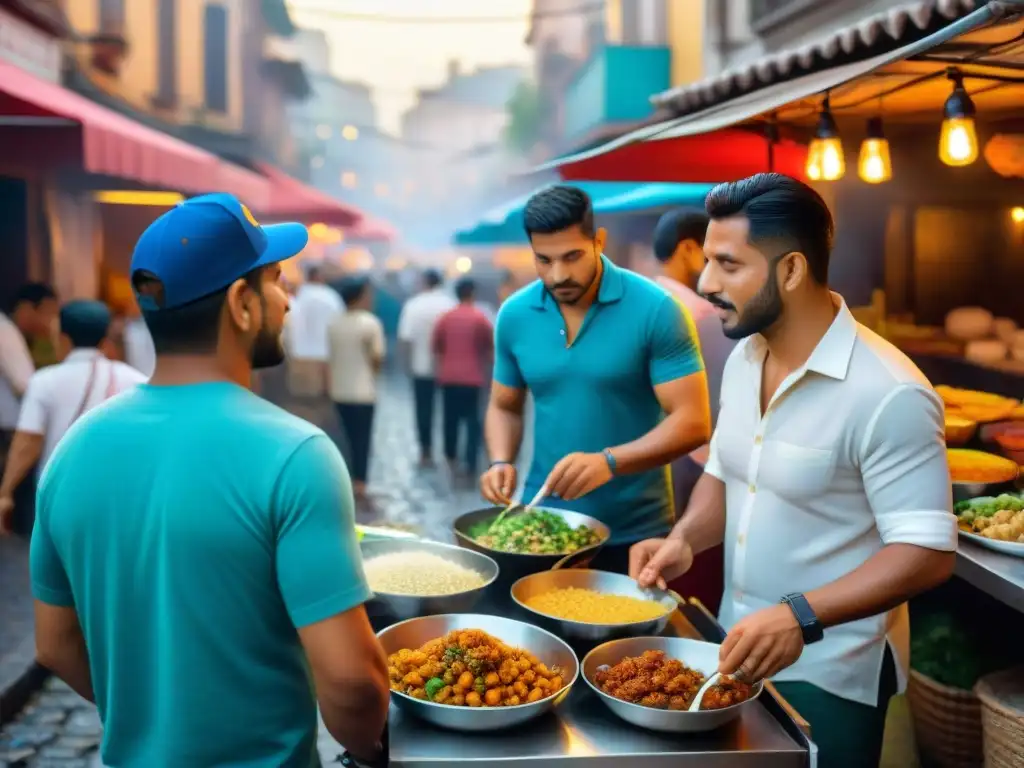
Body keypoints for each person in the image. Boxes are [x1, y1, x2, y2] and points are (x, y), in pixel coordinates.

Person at [29, 194, 389, 767]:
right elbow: (349, 682)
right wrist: (370, 752)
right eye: (275, 281)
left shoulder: (70, 452)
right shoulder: (296, 454)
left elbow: (54, 645)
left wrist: (149, 713)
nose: (288, 301)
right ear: (242, 304)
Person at [630, 174, 957, 768]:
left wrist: (800, 615)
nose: (705, 284)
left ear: (791, 270)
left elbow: (928, 551)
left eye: (728, 265)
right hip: (733, 646)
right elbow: (729, 473)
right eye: (706, 261)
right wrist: (683, 541)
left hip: (833, 674)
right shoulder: (743, 357)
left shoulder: (889, 391)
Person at [479, 185, 711, 572]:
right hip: (544, 525)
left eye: (572, 257)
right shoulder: (514, 315)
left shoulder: (658, 310)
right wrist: (501, 459)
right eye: (544, 260)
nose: (558, 275)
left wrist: (611, 462)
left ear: (598, 241)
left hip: (635, 535)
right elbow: (505, 406)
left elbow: (693, 423)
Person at [651, 208, 736, 613]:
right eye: (714, 258)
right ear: (688, 249)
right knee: (692, 565)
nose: (714, 275)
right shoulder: (699, 312)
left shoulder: (642, 300)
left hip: (646, 451)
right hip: (691, 455)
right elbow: (719, 394)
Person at [0, 301, 146, 534]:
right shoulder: (137, 381)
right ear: (104, 338)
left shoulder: (44, 381)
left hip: (60, 498)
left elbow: (28, 441)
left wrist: (5, 493)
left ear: (64, 339)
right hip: (119, 499)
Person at [327, 276, 386, 498]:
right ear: (360, 297)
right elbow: (377, 357)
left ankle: (346, 479)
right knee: (363, 438)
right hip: (363, 392)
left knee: (346, 438)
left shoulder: (334, 323)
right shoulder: (370, 323)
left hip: (339, 391)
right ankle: (360, 482)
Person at [432, 277, 493, 475]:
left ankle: (450, 456)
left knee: (450, 419)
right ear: (472, 293)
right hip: (472, 379)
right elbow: (489, 346)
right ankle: (471, 461)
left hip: (449, 377)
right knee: (472, 421)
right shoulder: (479, 318)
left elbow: (436, 346)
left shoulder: (445, 317)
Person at [397, 269, 455, 465]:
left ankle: (426, 450)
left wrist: (407, 366)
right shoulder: (450, 303)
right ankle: (450, 451)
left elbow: (405, 339)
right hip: (448, 368)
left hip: (420, 367)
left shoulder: (413, 305)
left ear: (424, 282)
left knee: (423, 409)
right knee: (449, 411)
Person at [285, 264, 344, 398]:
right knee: (323, 404)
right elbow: (340, 323)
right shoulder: (331, 297)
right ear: (319, 277)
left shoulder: (296, 298)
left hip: (299, 358)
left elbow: (288, 327)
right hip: (325, 360)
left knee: (300, 403)